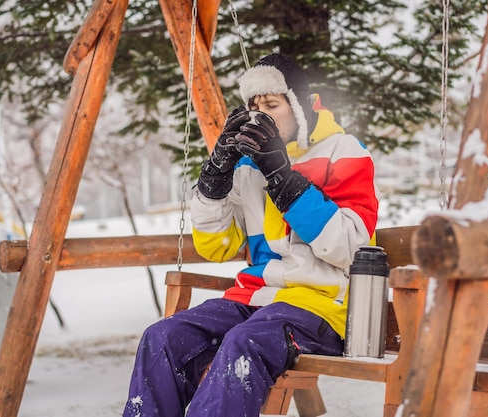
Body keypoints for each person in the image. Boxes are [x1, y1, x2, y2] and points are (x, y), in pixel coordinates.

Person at [123, 53, 378, 417]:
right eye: (254, 106)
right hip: (254, 298)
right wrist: (213, 183)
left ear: (300, 107)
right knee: (162, 337)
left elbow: (351, 249)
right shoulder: (249, 164)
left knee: (244, 342)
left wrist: (283, 177)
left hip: (321, 307)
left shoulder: (343, 152)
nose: (262, 116)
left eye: (272, 105)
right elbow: (216, 247)